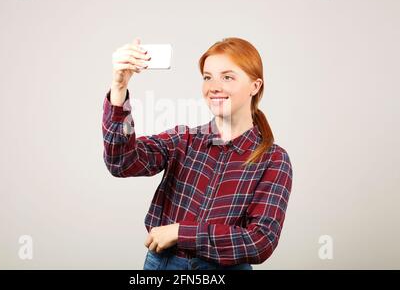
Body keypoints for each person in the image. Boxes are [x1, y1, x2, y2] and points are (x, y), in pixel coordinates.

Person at [102, 37, 293, 270]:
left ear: (255, 86)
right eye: (207, 77)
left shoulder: (273, 160)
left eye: (227, 77)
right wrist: (119, 88)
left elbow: (260, 241)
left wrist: (182, 232)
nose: (213, 87)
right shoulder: (183, 140)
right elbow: (121, 163)